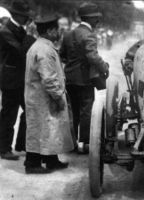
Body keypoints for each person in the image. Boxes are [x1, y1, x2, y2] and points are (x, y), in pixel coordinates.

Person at [24, 14, 74, 174]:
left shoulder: (40, 46)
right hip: (43, 98)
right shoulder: (44, 50)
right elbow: (49, 79)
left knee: (49, 130)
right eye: (57, 30)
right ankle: (31, 164)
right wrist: (58, 96)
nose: (60, 32)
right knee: (40, 130)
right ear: (51, 31)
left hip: (40, 97)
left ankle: (51, 160)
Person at [60, 2, 109, 153]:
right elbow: (92, 56)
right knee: (86, 111)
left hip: (70, 79)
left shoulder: (68, 34)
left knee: (72, 112)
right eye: (96, 18)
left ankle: (71, 144)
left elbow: (62, 55)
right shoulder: (89, 35)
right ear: (90, 18)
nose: (98, 21)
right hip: (85, 80)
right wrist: (104, 67)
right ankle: (86, 143)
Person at [0, 0, 35, 160]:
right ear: (17, 16)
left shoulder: (18, 29)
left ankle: (22, 143)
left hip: (21, 80)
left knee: (29, 111)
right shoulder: (5, 31)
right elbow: (21, 51)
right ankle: (4, 148)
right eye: (25, 16)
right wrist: (29, 35)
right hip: (10, 81)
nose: (28, 19)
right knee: (9, 115)